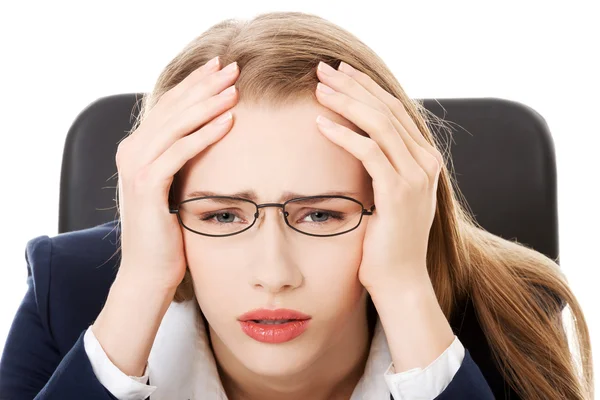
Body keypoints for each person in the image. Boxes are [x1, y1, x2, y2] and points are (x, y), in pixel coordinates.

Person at [0, 10, 593, 400]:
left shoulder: (507, 316)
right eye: (222, 215)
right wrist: (140, 285)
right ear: (163, 209)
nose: (274, 275)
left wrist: (408, 293)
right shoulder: (69, 294)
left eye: (322, 214)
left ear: (392, 208)